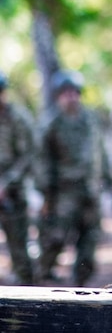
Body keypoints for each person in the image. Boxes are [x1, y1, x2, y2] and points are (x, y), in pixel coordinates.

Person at [35, 70, 110, 286]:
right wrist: (47, 195)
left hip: (90, 192)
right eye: (66, 93)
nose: (71, 97)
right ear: (59, 96)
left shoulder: (90, 120)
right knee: (54, 240)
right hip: (63, 194)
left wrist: (109, 182)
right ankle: (42, 281)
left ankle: (80, 287)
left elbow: (100, 153)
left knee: (89, 243)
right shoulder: (52, 123)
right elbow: (42, 160)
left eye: (75, 93)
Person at [0, 70, 36, 285]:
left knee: (20, 251)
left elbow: (28, 156)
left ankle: (26, 298)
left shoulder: (18, 118)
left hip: (13, 194)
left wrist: (6, 183)